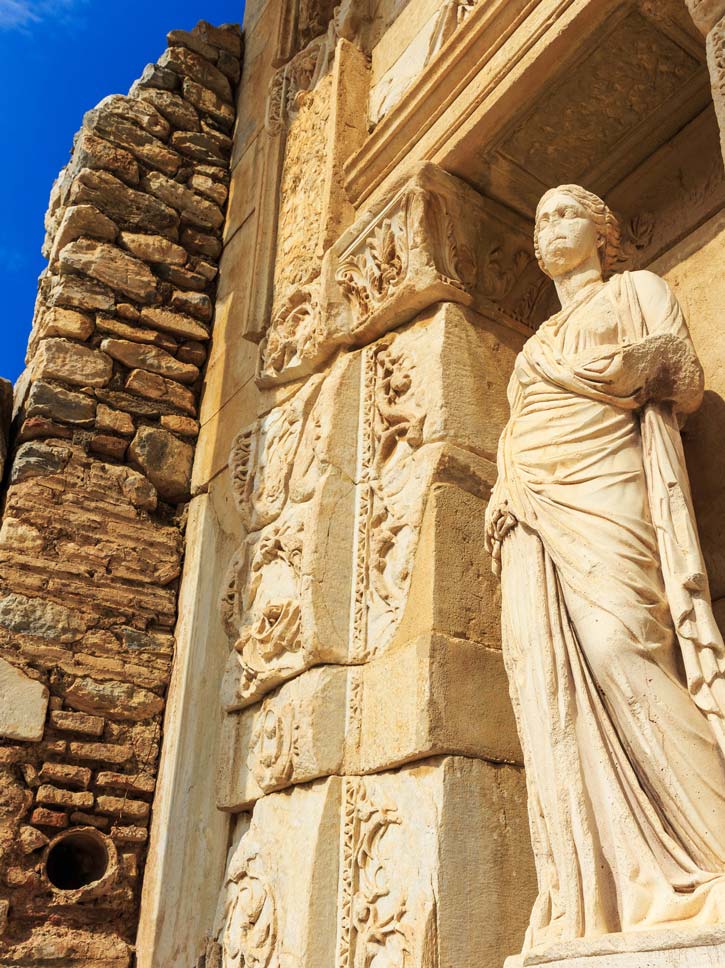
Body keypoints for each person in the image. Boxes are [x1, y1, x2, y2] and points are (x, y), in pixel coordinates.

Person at [485, 185, 725, 955]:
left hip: (608, 488)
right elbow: (517, 430)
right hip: (529, 509)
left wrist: (631, 368)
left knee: (624, 649)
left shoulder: (637, 290)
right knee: (546, 685)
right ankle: (601, 892)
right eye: (540, 216)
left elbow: (682, 381)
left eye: (564, 213)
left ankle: (712, 853)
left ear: (603, 232)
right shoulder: (532, 349)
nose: (549, 226)